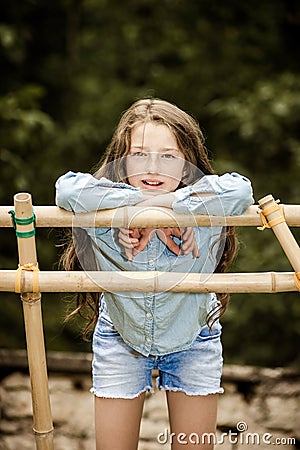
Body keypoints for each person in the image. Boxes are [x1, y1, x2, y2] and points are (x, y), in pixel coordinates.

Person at [55, 98, 254, 450]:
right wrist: (133, 209)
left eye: (168, 156)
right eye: (139, 154)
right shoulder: (107, 206)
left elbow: (241, 190)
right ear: (123, 159)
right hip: (121, 338)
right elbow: (66, 188)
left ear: (187, 162)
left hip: (194, 338)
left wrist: (169, 208)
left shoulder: (201, 206)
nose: (153, 166)